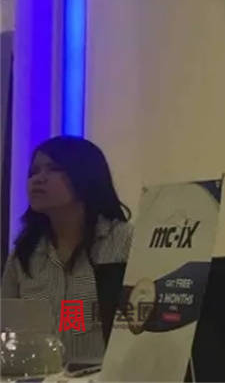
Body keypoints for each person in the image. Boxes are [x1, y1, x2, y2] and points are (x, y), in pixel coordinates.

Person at [1, 136, 134, 363]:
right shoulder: (25, 253)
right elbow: (5, 327)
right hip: (37, 375)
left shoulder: (124, 242)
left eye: (53, 169)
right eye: (34, 172)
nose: (38, 179)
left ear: (85, 175)